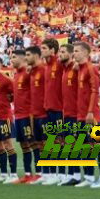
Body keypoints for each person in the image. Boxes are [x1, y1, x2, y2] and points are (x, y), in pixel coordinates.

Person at [74, 42, 100, 188]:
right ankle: (88, 177)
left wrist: (90, 112)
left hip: (91, 116)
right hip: (81, 115)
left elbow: (95, 91)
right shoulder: (80, 70)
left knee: (98, 145)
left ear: (86, 53)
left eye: (77, 51)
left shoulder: (91, 68)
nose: (74, 53)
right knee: (84, 147)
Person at [11, 50, 37, 184]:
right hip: (18, 115)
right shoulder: (16, 75)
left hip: (28, 114)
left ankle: (39, 173)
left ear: (22, 59)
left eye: (14, 57)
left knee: (33, 143)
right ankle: (27, 174)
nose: (11, 60)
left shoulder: (28, 73)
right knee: (23, 145)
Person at [41, 38, 64, 185]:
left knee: (61, 141)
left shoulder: (59, 64)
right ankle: (51, 173)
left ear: (52, 50)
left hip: (59, 109)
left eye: (44, 48)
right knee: (49, 141)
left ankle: (61, 174)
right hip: (47, 109)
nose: (41, 50)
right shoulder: (46, 66)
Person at [59, 44, 82, 186]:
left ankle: (78, 175)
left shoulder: (76, 67)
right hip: (66, 113)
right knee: (69, 144)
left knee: (76, 145)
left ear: (70, 54)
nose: (59, 54)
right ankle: (73, 174)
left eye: (62, 52)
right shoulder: (65, 69)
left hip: (75, 113)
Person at [25, 46, 48, 185]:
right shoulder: (32, 72)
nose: (26, 58)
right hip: (34, 114)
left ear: (36, 56)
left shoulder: (44, 70)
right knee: (39, 144)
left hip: (45, 113)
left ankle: (56, 173)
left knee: (49, 144)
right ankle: (43, 173)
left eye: (28, 55)